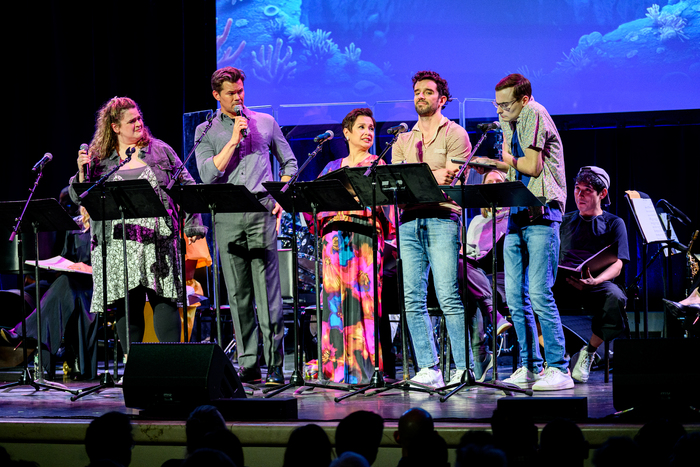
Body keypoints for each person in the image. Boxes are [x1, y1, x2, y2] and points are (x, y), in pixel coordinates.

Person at [69, 97, 206, 360]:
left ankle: (171, 364)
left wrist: (193, 226)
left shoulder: (161, 151)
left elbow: (188, 188)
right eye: (131, 121)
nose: (139, 124)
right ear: (115, 127)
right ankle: (134, 364)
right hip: (117, 241)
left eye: (140, 118)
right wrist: (82, 174)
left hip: (158, 238)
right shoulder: (98, 160)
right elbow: (79, 198)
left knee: (163, 299)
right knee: (127, 304)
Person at [195, 66, 298, 385]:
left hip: (260, 210)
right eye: (231, 93)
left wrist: (280, 195)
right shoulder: (205, 130)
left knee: (268, 294)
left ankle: (276, 362)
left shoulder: (265, 123)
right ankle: (249, 363)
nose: (238, 97)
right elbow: (206, 175)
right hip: (225, 215)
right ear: (216, 95)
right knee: (238, 295)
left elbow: (290, 163)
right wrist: (233, 140)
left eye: (241, 91)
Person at [473, 73, 573, 391]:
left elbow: (532, 167)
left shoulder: (534, 113)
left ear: (523, 99)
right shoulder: (511, 120)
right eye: (497, 103)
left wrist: (503, 159)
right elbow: (514, 167)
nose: (499, 110)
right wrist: (491, 164)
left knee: (540, 293)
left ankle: (559, 368)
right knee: (515, 298)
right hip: (518, 212)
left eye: (505, 104)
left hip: (542, 212)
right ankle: (529, 366)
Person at [391, 70, 472, 388]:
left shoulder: (455, 133)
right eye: (416, 91)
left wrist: (422, 177)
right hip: (409, 221)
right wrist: (432, 175)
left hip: (441, 218)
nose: (420, 96)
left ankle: (463, 368)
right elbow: (398, 180)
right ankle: (429, 367)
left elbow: (453, 178)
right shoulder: (402, 139)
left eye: (427, 91)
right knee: (412, 298)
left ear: (442, 99)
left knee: (447, 295)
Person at [316, 108, 393, 384]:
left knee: (364, 302)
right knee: (335, 304)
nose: (367, 133)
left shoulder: (379, 164)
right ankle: (335, 368)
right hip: (334, 243)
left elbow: (388, 207)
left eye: (371, 128)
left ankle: (364, 368)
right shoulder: (331, 168)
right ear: (346, 133)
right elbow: (317, 207)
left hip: (364, 242)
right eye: (361, 127)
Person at [1, 207, 97, 380]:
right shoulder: (74, 226)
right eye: (80, 204)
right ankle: (30, 341)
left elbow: (114, 264)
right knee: (49, 286)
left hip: (94, 285)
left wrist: (89, 268)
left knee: (64, 285)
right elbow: (67, 257)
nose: (83, 208)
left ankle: (23, 334)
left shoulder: (105, 225)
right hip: (72, 282)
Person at [555, 166, 629, 383]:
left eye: (587, 190)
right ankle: (558, 355)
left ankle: (588, 352)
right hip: (565, 283)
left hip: (597, 285)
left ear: (602, 193)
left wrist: (596, 280)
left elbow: (618, 263)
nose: (579, 195)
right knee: (531, 294)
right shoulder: (564, 221)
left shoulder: (615, 223)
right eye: (577, 189)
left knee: (615, 298)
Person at [461, 169, 512, 382]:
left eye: (497, 182)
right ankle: (493, 316)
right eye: (488, 182)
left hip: (502, 276)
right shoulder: (476, 222)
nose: (492, 185)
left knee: (472, 292)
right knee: (461, 267)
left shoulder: (512, 218)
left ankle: (480, 357)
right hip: (479, 274)